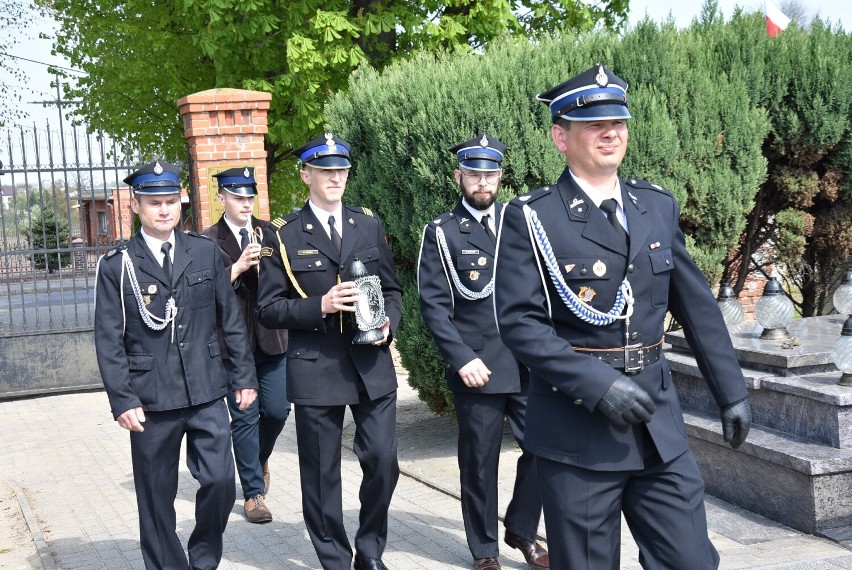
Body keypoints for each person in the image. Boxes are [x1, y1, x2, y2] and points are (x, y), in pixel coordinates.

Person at [493, 63, 753, 570]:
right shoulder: (532, 217)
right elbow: (520, 323)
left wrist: (732, 391)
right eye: (593, 124)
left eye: (618, 122)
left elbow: (696, 306)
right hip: (578, 432)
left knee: (693, 561)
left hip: (658, 423)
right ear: (560, 137)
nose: (610, 132)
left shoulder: (654, 205)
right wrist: (598, 385)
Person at [94, 160, 257, 570]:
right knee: (155, 497)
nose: (164, 209)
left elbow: (230, 321)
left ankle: (202, 558)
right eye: (155, 202)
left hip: (205, 390)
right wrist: (122, 398)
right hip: (150, 400)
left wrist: (244, 376)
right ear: (136, 205)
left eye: (171, 201)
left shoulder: (204, 252)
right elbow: (108, 338)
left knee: (221, 482)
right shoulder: (118, 265)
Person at [256, 133, 403, 570]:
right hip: (317, 366)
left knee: (384, 461)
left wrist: (389, 322)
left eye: (341, 169)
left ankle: (370, 550)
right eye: (325, 170)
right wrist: (317, 305)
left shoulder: (368, 224)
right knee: (321, 476)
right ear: (306, 175)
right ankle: (336, 559)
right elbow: (268, 308)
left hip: (370, 365)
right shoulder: (282, 234)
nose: (335, 177)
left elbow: (392, 289)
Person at [417, 134, 548, 570]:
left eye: (490, 173)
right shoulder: (443, 231)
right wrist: (461, 358)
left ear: (500, 176)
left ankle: (522, 528)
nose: (483, 181)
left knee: (545, 449)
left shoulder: (522, 222)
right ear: (459, 176)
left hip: (529, 362)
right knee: (479, 463)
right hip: (478, 366)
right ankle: (485, 550)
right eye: (474, 173)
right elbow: (434, 307)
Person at [203, 166, 290, 524]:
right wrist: (237, 268)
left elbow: (285, 283)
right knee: (244, 416)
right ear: (221, 198)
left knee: (277, 411)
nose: (244, 202)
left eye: (249, 196)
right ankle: (254, 494)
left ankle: (257, 457)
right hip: (232, 346)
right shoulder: (207, 241)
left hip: (272, 340)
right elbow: (204, 291)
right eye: (237, 196)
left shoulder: (270, 233)